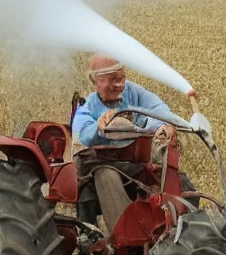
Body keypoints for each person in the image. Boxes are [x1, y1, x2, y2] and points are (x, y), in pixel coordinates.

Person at [71, 54, 179, 234]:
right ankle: (123, 237)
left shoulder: (134, 93)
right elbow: (83, 135)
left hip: (133, 163)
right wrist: (99, 126)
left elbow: (158, 110)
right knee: (104, 178)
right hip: (100, 165)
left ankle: (175, 227)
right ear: (96, 81)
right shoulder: (88, 106)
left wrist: (163, 125)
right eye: (113, 80)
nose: (120, 85)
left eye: (121, 78)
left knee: (176, 180)